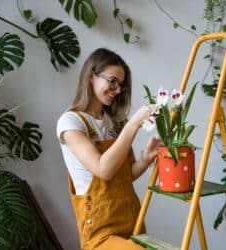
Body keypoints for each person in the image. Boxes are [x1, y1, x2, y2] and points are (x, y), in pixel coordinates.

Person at [56, 48, 160, 250]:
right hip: (100, 232)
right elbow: (103, 169)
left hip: (130, 220)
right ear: (91, 76)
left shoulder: (115, 123)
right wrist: (133, 126)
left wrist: (145, 160)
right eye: (112, 81)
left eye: (121, 84)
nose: (118, 89)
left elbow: (124, 176)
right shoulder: (70, 122)